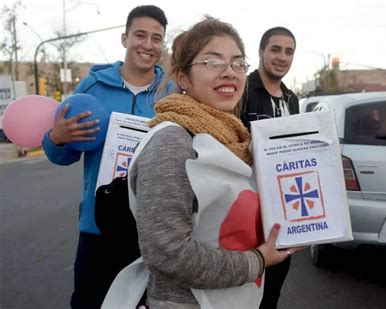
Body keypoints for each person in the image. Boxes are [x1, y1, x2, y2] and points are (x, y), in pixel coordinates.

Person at [129, 17, 295, 308]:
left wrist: (296, 227)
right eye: (212, 62)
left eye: (237, 63)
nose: (229, 73)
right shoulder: (173, 142)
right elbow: (168, 255)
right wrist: (257, 261)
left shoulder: (237, 140)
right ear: (182, 77)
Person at [41, 5, 173, 308]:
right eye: (140, 35)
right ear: (125, 38)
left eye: (156, 38)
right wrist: (56, 139)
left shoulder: (172, 93)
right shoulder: (92, 88)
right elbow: (63, 156)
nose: (148, 45)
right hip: (97, 228)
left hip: (153, 230)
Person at [241, 26, 299, 309]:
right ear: (261, 52)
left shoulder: (292, 99)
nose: (282, 57)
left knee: (272, 293)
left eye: (289, 51)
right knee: (243, 294)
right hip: (246, 212)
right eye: (275, 49)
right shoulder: (243, 90)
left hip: (284, 211)